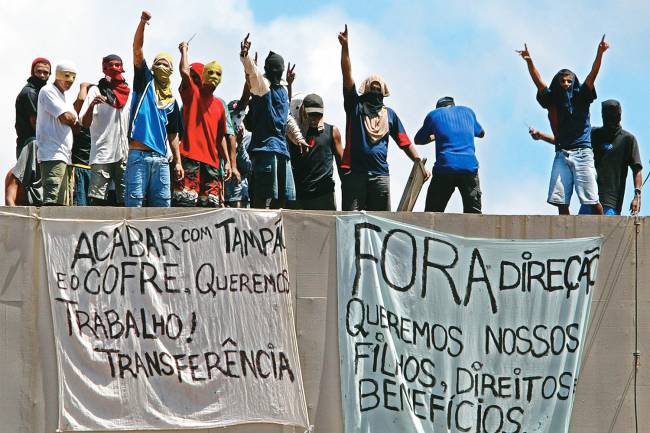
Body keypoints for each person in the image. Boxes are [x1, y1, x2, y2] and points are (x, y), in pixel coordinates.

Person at [338, 25, 428, 211]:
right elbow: (347, 76)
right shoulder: (355, 107)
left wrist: (419, 164)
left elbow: (405, 142)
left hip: (380, 176)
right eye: (373, 90)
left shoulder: (389, 115)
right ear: (366, 91)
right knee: (351, 222)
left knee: (380, 224)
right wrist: (345, 47)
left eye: (378, 91)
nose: (376, 94)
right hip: (355, 174)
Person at [518, 36, 609, 215]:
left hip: (583, 153)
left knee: (591, 199)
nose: (566, 84)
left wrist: (600, 53)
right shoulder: (554, 101)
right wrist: (529, 61)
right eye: (562, 81)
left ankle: (603, 228)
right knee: (560, 200)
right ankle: (566, 236)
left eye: (569, 81)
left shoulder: (582, 96)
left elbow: (592, 75)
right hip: (562, 154)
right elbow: (539, 83)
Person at [530, 99, 643, 215]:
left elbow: (637, 169)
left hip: (612, 203)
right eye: (606, 114)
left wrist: (637, 195)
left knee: (605, 231)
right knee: (582, 231)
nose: (609, 118)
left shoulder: (628, 140)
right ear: (602, 115)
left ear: (619, 115)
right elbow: (568, 143)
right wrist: (541, 136)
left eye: (612, 114)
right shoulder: (594, 134)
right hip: (589, 199)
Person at [239, 33, 307, 209]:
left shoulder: (283, 92)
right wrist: (246, 58)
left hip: (282, 151)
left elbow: (287, 118)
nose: (278, 70)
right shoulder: (263, 87)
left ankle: (273, 229)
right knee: (262, 196)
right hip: (264, 150)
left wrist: (298, 139)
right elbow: (253, 74)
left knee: (283, 197)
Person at [126, 10, 183, 207]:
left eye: (165, 64)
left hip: (161, 159)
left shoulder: (172, 102)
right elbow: (137, 49)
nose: (161, 66)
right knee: (134, 206)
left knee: (163, 207)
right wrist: (142, 22)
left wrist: (177, 161)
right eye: (157, 63)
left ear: (171, 71)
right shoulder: (144, 82)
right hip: (138, 155)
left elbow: (173, 134)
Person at [173, 41, 232, 207]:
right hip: (191, 158)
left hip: (212, 164)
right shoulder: (192, 95)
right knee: (185, 206)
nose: (214, 76)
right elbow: (184, 72)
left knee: (210, 210)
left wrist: (227, 160)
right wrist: (184, 50)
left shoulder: (219, 105)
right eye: (210, 72)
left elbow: (220, 136)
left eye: (218, 74)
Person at [414, 96, 485, 213]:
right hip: (469, 168)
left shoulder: (434, 115)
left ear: (439, 107)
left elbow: (418, 140)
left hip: (445, 168)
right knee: (474, 214)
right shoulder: (468, 112)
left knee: (432, 213)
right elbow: (481, 133)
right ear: (453, 105)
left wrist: (435, 135)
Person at [80, 54, 131, 206]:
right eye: (111, 65)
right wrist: (92, 106)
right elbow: (84, 122)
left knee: (125, 200)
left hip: (124, 154)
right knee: (97, 199)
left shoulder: (128, 93)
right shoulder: (96, 91)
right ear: (104, 68)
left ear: (122, 67)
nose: (114, 68)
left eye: (118, 65)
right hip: (102, 154)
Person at [36, 61, 78, 206]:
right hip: (52, 154)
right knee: (52, 201)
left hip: (64, 155)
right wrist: (71, 118)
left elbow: (76, 120)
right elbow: (67, 118)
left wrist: (72, 119)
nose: (69, 82)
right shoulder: (48, 91)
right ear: (58, 75)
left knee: (62, 203)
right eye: (66, 77)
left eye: (73, 78)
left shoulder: (63, 97)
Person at [290, 93, 343, 210]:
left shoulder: (332, 131)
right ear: (303, 111)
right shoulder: (293, 133)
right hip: (298, 197)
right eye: (311, 114)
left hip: (324, 196)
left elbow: (342, 164)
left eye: (318, 114)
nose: (314, 118)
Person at [15, 57, 51, 159]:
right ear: (32, 72)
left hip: (38, 144)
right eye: (38, 72)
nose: (42, 75)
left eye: (45, 72)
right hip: (31, 145)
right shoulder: (30, 92)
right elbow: (35, 122)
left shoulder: (42, 92)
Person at [224, 100, 252, 208]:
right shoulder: (223, 137)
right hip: (224, 194)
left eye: (238, 116)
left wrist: (240, 145)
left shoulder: (249, 137)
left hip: (240, 195)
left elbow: (247, 167)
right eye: (232, 115)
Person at [72, 83, 93, 206]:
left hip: (95, 171)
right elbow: (80, 101)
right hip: (79, 168)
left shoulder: (99, 120)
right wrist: (84, 86)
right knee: (79, 209)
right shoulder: (78, 120)